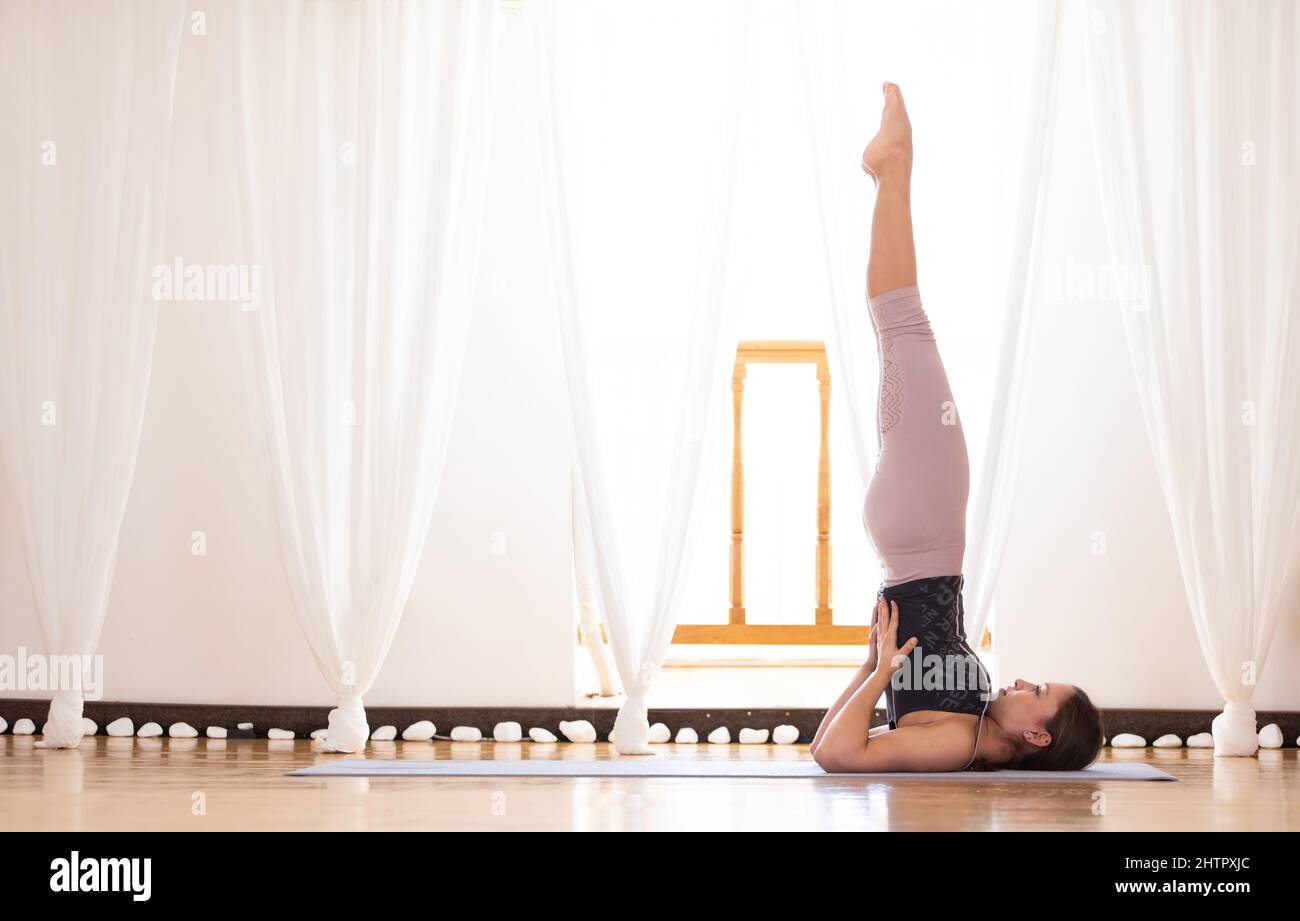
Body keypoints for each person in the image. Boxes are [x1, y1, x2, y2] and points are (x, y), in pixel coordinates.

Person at [810, 83, 1103, 773]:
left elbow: (834, 753)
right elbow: (837, 742)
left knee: (904, 326)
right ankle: (892, 164)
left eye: (1036, 692)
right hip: (918, 536)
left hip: (924, 531)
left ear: (1036, 736)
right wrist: (868, 666)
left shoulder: (955, 742)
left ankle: (896, 162)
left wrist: (879, 672)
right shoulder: (970, 726)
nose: (1022, 681)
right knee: (899, 333)